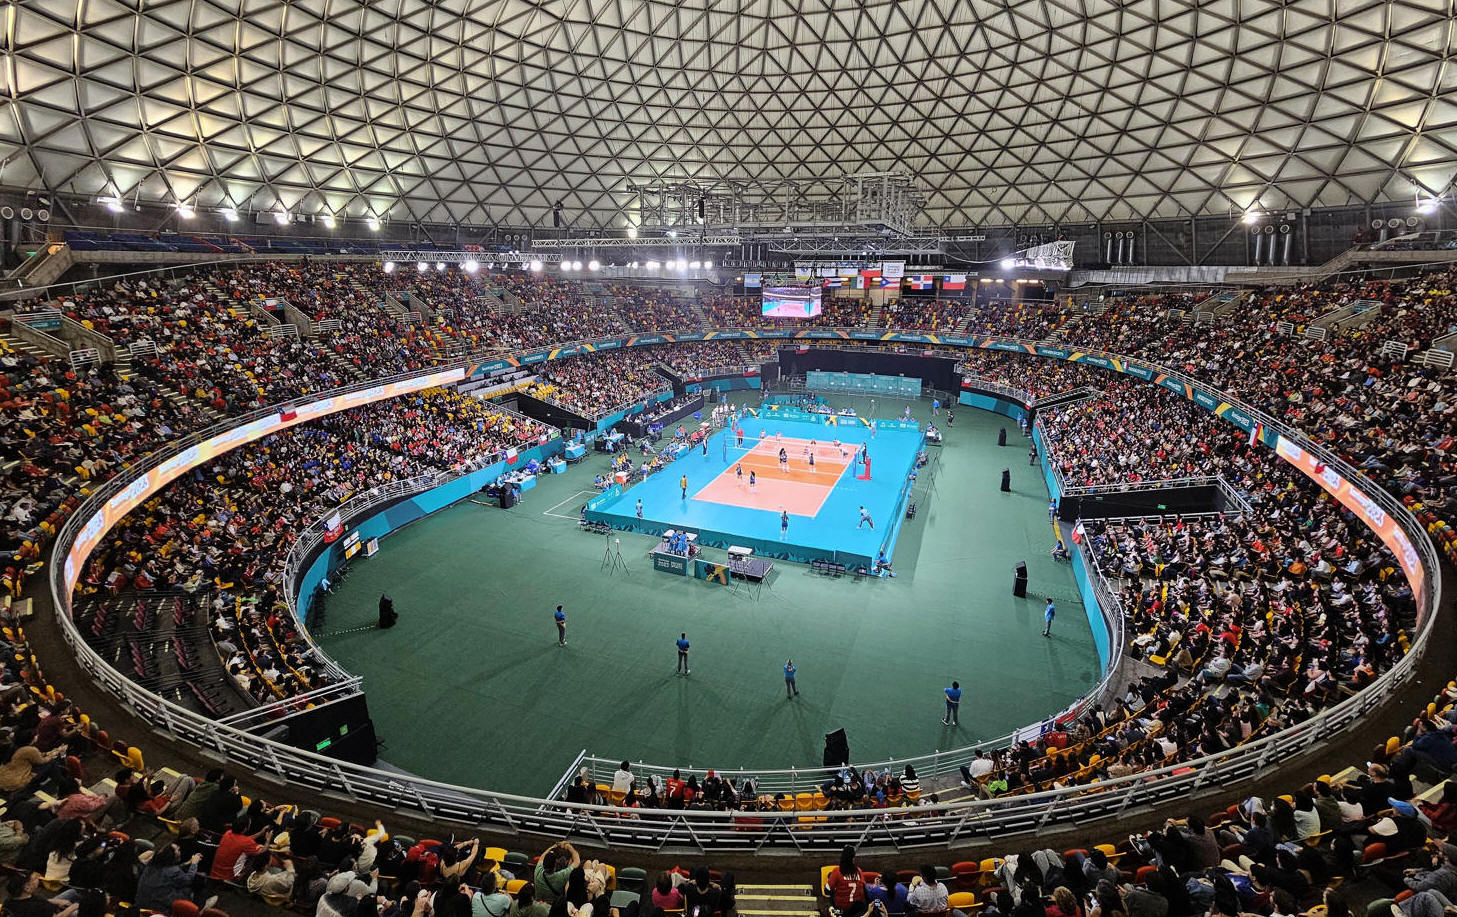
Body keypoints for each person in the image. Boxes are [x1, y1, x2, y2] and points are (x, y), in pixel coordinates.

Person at [823, 845, 868, 917]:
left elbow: (827, 891)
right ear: (853, 859)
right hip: (856, 910)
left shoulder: (837, 871)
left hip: (841, 908)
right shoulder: (859, 871)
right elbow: (864, 888)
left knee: (830, 894)